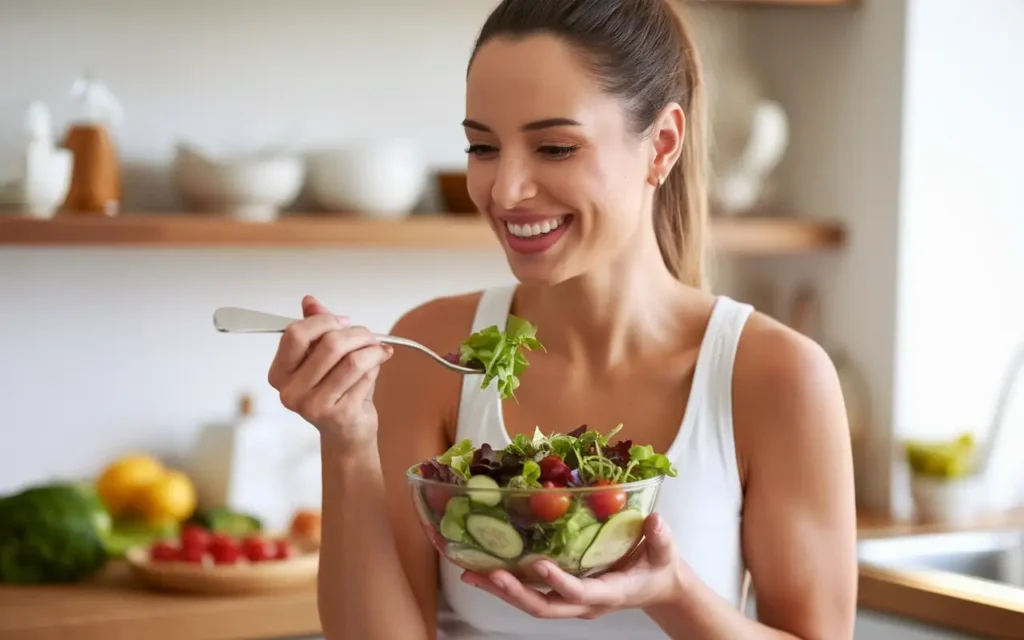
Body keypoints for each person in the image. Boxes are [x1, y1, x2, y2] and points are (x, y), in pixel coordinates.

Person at [266, 0, 858, 638]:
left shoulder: (776, 377)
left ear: (662, 145)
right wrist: (347, 442)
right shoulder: (434, 351)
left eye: (554, 147)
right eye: (482, 146)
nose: (504, 190)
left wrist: (672, 593)